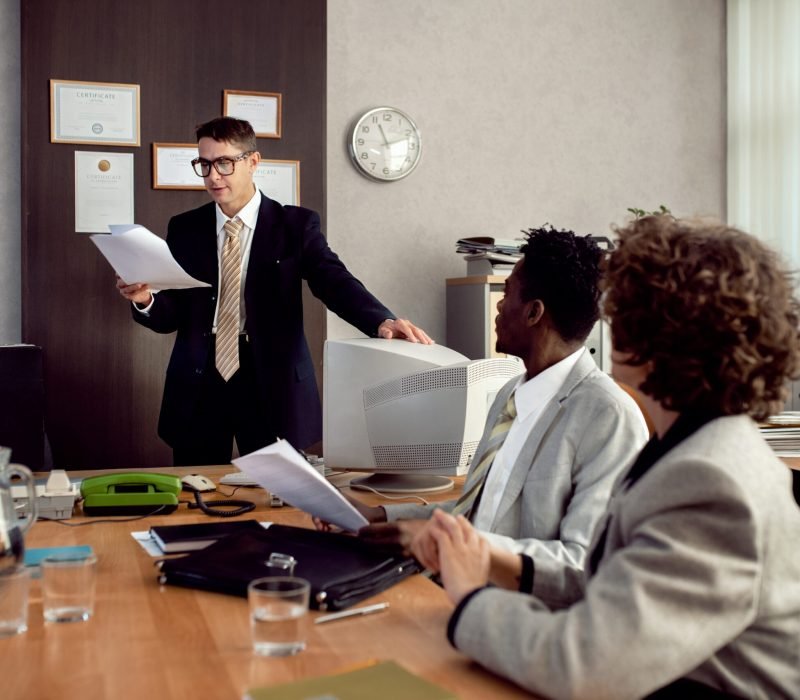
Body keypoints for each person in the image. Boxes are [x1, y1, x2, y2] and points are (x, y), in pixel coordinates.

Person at [427, 216, 800, 699]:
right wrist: (483, 556)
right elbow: (607, 580)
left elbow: (584, 667)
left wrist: (471, 597)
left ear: (654, 333)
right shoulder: (692, 448)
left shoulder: (711, 482)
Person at [334, 226, 649, 604]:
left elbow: (582, 564)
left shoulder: (609, 417)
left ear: (534, 312)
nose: (499, 306)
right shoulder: (510, 394)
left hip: (517, 614)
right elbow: (476, 515)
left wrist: (446, 544)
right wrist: (382, 515)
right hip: (457, 589)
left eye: (507, 292)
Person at [117, 117, 431, 465]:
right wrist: (145, 299)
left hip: (271, 378)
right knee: (198, 485)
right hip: (199, 378)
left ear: (253, 161)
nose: (213, 176)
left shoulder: (295, 225)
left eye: (224, 163)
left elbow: (333, 280)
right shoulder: (185, 229)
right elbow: (171, 314)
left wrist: (380, 320)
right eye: (204, 164)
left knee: (278, 488)